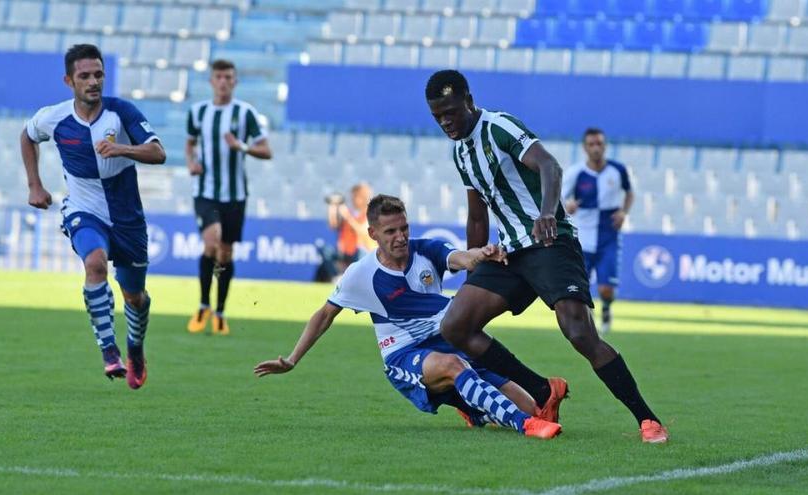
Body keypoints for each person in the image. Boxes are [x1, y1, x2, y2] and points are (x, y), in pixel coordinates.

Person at [425, 70, 668, 443]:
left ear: (469, 101)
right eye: (438, 116)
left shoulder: (499, 126)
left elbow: (549, 166)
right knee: (456, 325)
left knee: (578, 332)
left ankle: (647, 419)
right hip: (510, 254)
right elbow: (477, 214)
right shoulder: (460, 153)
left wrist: (546, 214)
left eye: (452, 112)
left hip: (548, 240)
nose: (446, 122)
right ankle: (542, 391)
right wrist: (475, 259)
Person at [254, 195, 562, 439]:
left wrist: (480, 254)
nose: (400, 237)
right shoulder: (361, 275)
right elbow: (324, 316)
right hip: (404, 355)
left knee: (531, 405)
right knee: (459, 369)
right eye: (390, 231)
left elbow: (458, 257)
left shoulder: (426, 250)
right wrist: (292, 360)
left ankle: (475, 409)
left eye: (404, 228)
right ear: (372, 233)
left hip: (448, 341)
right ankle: (525, 426)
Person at [19, 44, 166, 389]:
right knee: (95, 264)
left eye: (98, 74)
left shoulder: (121, 113)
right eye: (84, 76)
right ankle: (109, 352)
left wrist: (123, 148)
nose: (93, 81)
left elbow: (158, 152)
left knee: (135, 297)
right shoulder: (53, 117)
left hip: (127, 218)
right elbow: (27, 137)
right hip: (84, 210)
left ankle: (135, 349)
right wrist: (35, 186)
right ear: (69, 80)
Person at [185, 59, 273, 336]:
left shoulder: (245, 113)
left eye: (228, 77)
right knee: (211, 243)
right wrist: (191, 163)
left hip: (235, 195)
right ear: (211, 81)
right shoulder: (198, 112)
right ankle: (202, 305)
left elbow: (266, 151)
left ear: (235, 81)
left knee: (225, 252)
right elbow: (189, 142)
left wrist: (241, 146)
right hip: (206, 192)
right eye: (218, 77)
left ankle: (220, 311)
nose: (223, 81)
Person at [561, 128, 634, 334]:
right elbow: (558, 200)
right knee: (581, 286)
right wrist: (569, 206)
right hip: (582, 237)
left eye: (599, 144)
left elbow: (630, 193)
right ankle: (588, 321)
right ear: (585, 147)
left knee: (606, 289)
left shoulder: (617, 170)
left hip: (608, 236)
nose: (596, 148)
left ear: (605, 146)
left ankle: (607, 307)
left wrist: (623, 212)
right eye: (591, 144)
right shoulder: (575, 173)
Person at [326, 182, 376, 273]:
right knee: (324, 250)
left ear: (363, 198)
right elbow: (333, 225)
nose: (352, 199)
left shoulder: (369, 214)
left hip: (361, 252)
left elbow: (362, 231)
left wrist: (348, 217)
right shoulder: (351, 213)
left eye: (355, 197)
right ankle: (338, 276)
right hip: (345, 252)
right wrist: (332, 208)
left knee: (361, 251)